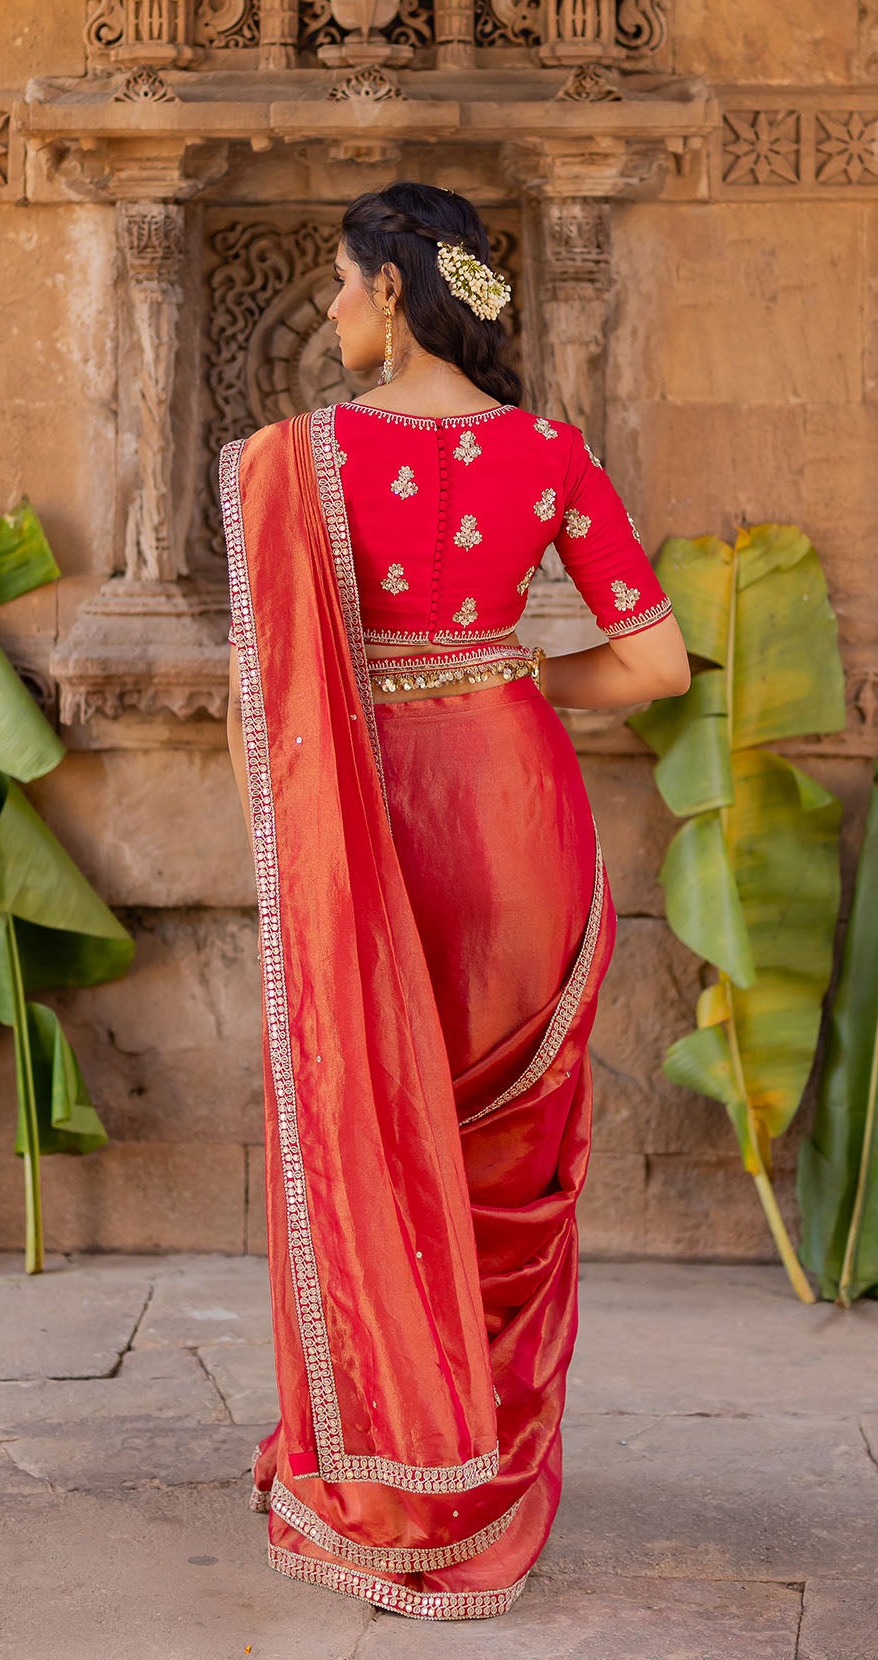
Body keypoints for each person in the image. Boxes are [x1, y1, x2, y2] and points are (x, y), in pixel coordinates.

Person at [217, 181, 689, 1621]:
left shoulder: (296, 461)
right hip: (520, 818)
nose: (341, 310)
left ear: (395, 292)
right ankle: (487, 1479)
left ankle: (382, 1481)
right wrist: (510, 679)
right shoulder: (548, 451)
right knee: (509, 1159)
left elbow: (283, 688)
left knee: (372, 1126)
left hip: (378, 828)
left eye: (349, 285)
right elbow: (657, 663)